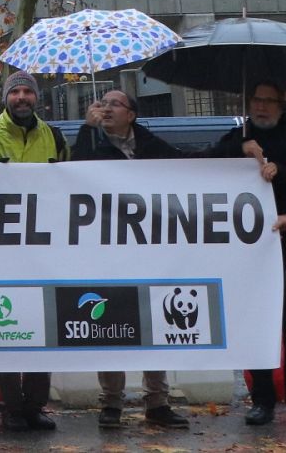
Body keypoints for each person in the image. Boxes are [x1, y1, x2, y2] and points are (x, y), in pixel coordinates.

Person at [210, 82, 286, 430]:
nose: (261, 107)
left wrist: (280, 170)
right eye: (256, 100)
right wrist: (238, 151)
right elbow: (206, 170)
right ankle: (262, 399)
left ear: (282, 105)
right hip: (249, 250)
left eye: (268, 101)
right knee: (257, 325)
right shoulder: (236, 137)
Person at [72, 89, 190, 430]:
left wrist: (236, 153)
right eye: (103, 103)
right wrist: (86, 129)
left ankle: (157, 401)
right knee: (110, 322)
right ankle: (111, 403)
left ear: (132, 114)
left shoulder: (151, 145)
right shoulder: (91, 143)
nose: (107, 108)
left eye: (115, 104)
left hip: (151, 250)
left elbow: (192, 165)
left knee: (155, 323)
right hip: (107, 251)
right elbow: (72, 175)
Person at [0, 71, 64, 432]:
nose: (22, 97)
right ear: (5, 98)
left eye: (28, 91)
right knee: (4, 327)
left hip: (44, 250)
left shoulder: (54, 136)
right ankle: (12, 406)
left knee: (42, 328)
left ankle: (35, 405)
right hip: (0, 252)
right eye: (15, 92)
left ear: (37, 98)